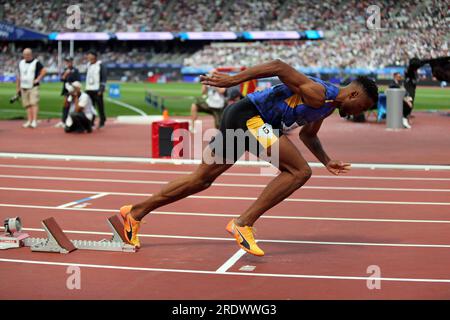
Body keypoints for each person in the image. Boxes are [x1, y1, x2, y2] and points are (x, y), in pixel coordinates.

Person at [119, 59, 378, 256]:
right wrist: (233, 80)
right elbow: (278, 66)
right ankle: (243, 223)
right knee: (299, 171)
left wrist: (326, 160)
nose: (358, 113)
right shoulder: (320, 94)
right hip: (249, 116)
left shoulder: (327, 108)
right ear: (354, 95)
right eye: (362, 107)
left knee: (201, 180)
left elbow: (309, 136)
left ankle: (135, 213)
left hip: (247, 121)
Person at [15, 48, 47, 128]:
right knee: (27, 104)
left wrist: (38, 79)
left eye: (27, 54)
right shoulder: (21, 63)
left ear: (30, 54)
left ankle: (34, 121)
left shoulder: (36, 62)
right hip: (23, 86)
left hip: (33, 86)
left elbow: (44, 71)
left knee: (34, 103)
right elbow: (19, 75)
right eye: (25, 54)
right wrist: (17, 87)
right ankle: (29, 120)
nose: (26, 56)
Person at [55, 56, 81, 128]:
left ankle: (76, 121)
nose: (68, 63)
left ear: (72, 62)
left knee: (75, 106)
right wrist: (65, 74)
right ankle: (64, 120)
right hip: (66, 90)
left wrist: (75, 90)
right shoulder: (65, 70)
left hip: (73, 90)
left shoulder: (75, 70)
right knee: (66, 105)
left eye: (69, 61)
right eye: (67, 61)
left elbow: (78, 81)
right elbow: (62, 79)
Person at [85, 51, 107, 128]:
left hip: (97, 89)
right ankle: (91, 121)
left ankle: (102, 121)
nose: (88, 57)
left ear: (94, 56)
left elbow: (104, 77)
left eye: (89, 55)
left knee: (100, 106)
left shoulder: (100, 65)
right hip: (89, 89)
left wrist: (102, 88)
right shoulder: (88, 65)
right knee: (90, 107)